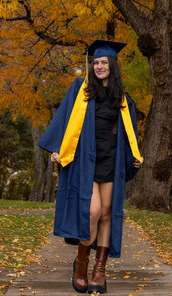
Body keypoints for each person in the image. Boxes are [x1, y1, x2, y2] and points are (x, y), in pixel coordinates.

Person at [38, 40, 143, 294]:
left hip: (111, 159)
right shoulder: (80, 89)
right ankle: (81, 265)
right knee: (93, 212)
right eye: (95, 62)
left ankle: (100, 271)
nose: (98, 66)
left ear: (112, 66)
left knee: (107, 213)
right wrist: (57, 148)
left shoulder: (123, 99)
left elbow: (129, 133)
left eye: (103, 62)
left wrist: (134, 156)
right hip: (86, 159)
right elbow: (64, 118)